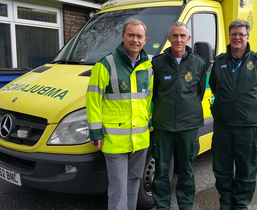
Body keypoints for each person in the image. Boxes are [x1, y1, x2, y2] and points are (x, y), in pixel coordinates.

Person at [86, 19, 153, 210]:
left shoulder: (148, 68)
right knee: (118, 188)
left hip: (139, 139)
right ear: (123, 36)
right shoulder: (105, 65)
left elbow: (148, 100)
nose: (135, 40)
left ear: (145, 40)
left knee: (133, 183)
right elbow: (93, 100)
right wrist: (96, 133)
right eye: (131, 35)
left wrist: (148, 124)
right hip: (114, 140)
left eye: (139, 36)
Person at [209, 19, 257, 210]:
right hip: (223, 126)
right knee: (221, 169)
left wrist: (248, 106)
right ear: (229, 37)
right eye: (234, 34)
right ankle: (226, 203)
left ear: (247, 37)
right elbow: (214, 86)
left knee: (246, 170)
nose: (237, 37)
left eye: (241, 34)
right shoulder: (219, 61)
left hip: (249, 128)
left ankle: (240, 206)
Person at [151, 22, 206, 210]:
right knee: (161, 170)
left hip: (188, 126)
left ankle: (186, 206)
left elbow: (199, 93)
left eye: (182, 36)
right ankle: (162, 207)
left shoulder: (199, 64)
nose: (179, 39)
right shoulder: (157, 63)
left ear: (188, 39)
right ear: (169, 39)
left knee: (187, 171)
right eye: (174, 36)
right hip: (163, 126)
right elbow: (154, 93)